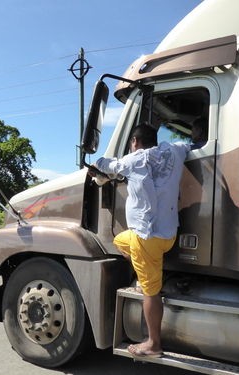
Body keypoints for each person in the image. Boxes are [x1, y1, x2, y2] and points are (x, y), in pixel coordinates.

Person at [88, 124, 190, 358]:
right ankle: (145, 277)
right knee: (121, 242)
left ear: (134, 141)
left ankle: (153, 344)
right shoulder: (174, 151)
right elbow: (187, 146)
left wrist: (95, 168)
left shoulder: (132, 161)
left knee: (151, 292)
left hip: (147, 237)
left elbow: (105, 164)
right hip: (168, 234)